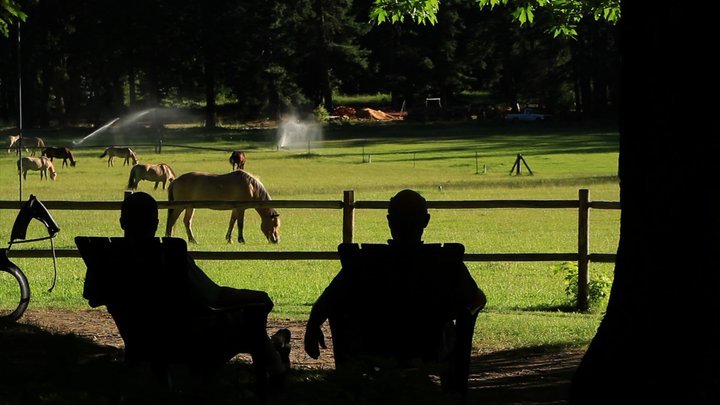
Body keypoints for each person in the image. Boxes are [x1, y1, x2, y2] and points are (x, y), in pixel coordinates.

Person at [304, 189, 486, 370]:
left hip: (373, 346)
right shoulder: (445, 261)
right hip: (431, 347)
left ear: (390, 221)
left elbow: (330, 298)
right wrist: (465, 314)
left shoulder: (364, 261)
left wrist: (313, 324)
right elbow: (476, 298)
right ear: (425, 221)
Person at [119, 192, 291, 381]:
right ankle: (276, 370)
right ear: (156, 223)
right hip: (187, 341)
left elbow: (93, 296)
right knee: (253, 321)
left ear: (122, 222)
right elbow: (214, 296)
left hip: (141, 340)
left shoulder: (107, 258)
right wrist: (258, 297)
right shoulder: (171, 257)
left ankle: (276, 354)